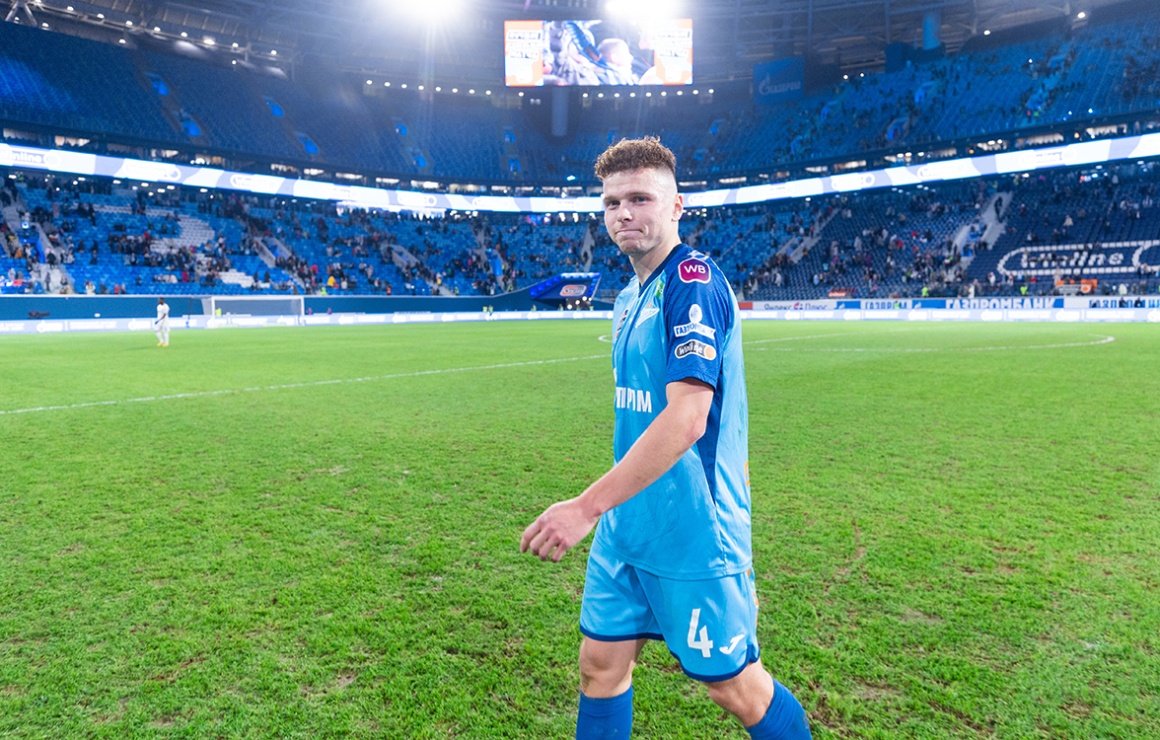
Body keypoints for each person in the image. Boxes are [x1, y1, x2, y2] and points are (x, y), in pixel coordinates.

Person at [520, 137, 810, 739]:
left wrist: (585, 507)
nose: (623, 213)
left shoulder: (691, 281)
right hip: (629, 524)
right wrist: (608, 512)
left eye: (640, 199)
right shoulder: (631, 294)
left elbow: (688, 419)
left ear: (677, 206)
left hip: (694, 531)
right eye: (612, 203)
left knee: (735, 687)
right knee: (600, 668)